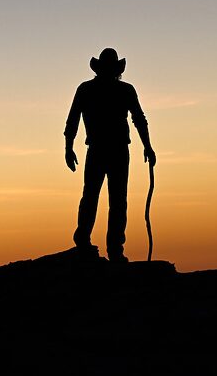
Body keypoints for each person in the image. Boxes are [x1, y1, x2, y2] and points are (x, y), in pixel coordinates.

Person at [64, 48, 155, 262]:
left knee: (106, 198)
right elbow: (73, 120)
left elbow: (139, 119)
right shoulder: (112, 90)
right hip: (107, 150)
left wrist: (148, 146)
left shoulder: (96, 90)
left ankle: (107, 246)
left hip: (109, 150)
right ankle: (102, 245)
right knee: (104, 198)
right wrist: (68, 148)